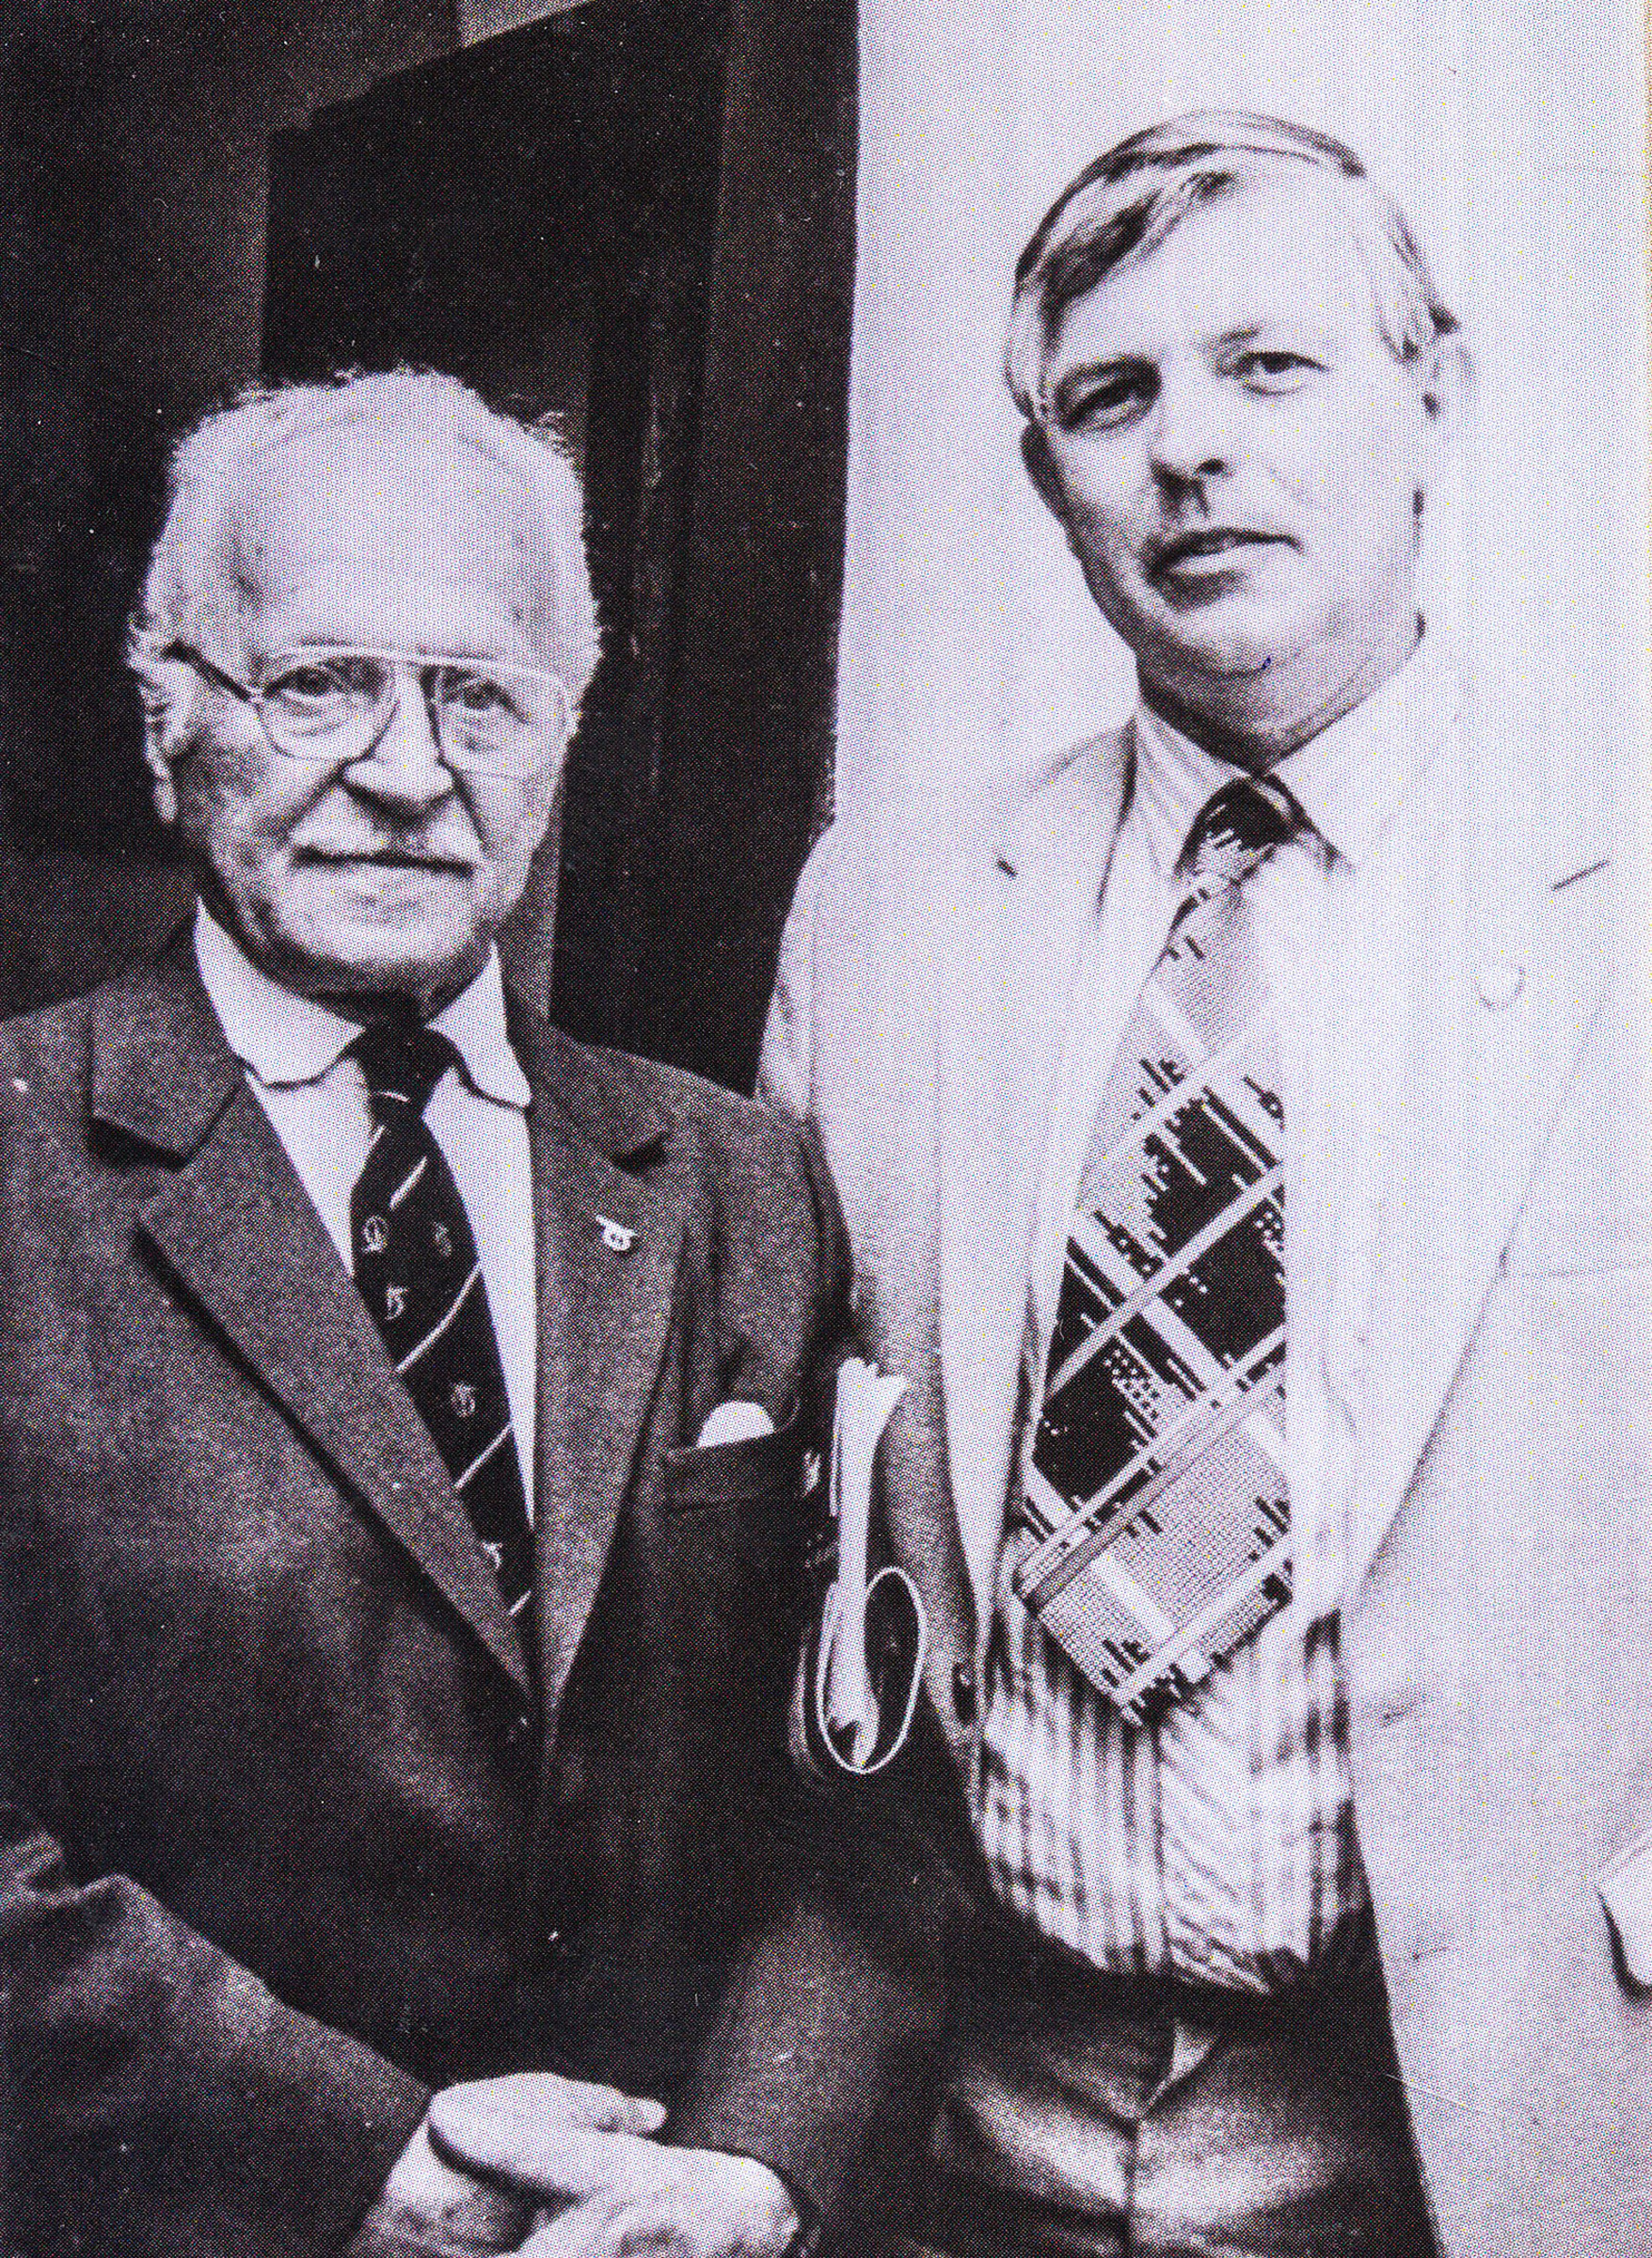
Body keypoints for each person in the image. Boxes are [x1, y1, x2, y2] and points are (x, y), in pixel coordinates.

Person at [761, 114, 1651, 2256]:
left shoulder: (1621, 894)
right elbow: (800, 1513)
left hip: (1498, 2137)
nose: (1189, 449)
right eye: (1112, 396)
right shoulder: (885, 914)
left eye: (1269, 367)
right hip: (969, 2127)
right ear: (1045, 475)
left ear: (1431, 402)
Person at [0, 370, 894, 2258]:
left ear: (559, 743)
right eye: (320, 684)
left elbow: (867, 1782)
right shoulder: (19, 1167)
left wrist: (748, 2164)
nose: (409, 771)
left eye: (479, 696)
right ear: (168, 719)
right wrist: (347, 2157)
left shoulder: (737, 1183)